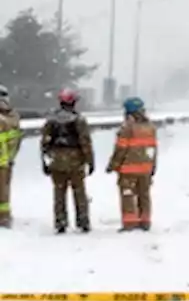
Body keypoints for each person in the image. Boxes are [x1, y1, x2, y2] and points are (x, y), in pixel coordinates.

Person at [40, 88, 94, 233]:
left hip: (56, 160)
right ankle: (83, 221)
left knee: (59, 192)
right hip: (75, 160)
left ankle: (60, 221)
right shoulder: (79, 120)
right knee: (79, 191)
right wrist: (90, 161)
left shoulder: (51, 120)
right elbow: (85, 142)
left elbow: (45, 142)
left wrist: (45, 161)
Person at [106, 96, 157, 231]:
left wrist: (113, 165)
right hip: (145, 169)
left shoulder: (127, 128)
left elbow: (121, 149)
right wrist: (153, 167)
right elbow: (153, 149)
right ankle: (145, 221)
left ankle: (129, 223)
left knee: (128, 195)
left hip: (128, 169)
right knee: (144, 195)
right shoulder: (150, 127)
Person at [0, 86, 23, 228]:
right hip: (6, 160)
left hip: (5, 159)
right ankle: (4, 218)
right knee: (4, 191)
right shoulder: (12, 116)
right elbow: (16, 139)